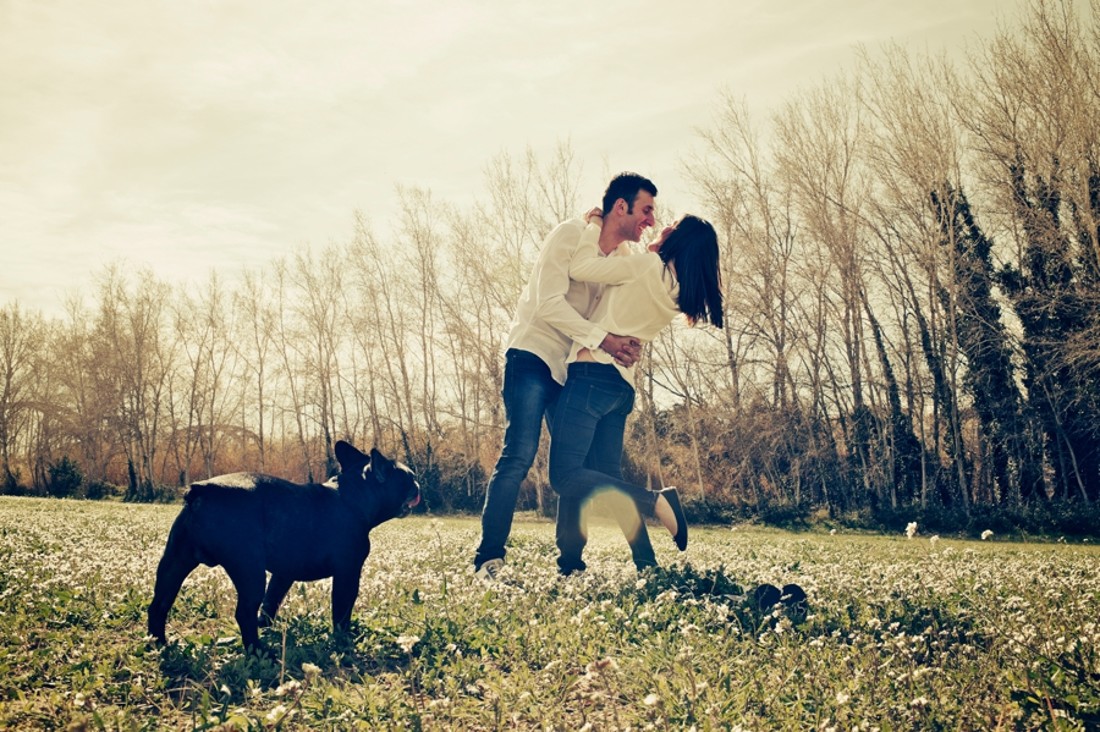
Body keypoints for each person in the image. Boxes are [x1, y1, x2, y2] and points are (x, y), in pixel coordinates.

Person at [473, 173, 660, 580]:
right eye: (646, 210)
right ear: (621, 207)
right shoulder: (570, 234)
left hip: (572, 368)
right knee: (519, 453)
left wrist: (627, 343)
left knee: (573, 467)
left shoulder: (624, 258)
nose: (651, 220)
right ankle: (488, 559)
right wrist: (604, 340)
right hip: (533, 354)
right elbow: (549, 304)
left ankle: (571, 566)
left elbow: (620, 309)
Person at [549, 212, 725, 576]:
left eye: (673, 225)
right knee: (604, 477)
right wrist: (650, 246)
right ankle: (639, 563)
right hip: (620, 387)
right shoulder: (676, 294)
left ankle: (654, 501)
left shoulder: (646, 267)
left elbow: (582, 267)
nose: (664, 225)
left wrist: (595, 224)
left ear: (679, 240)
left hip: (590, 375)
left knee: (565, 475)